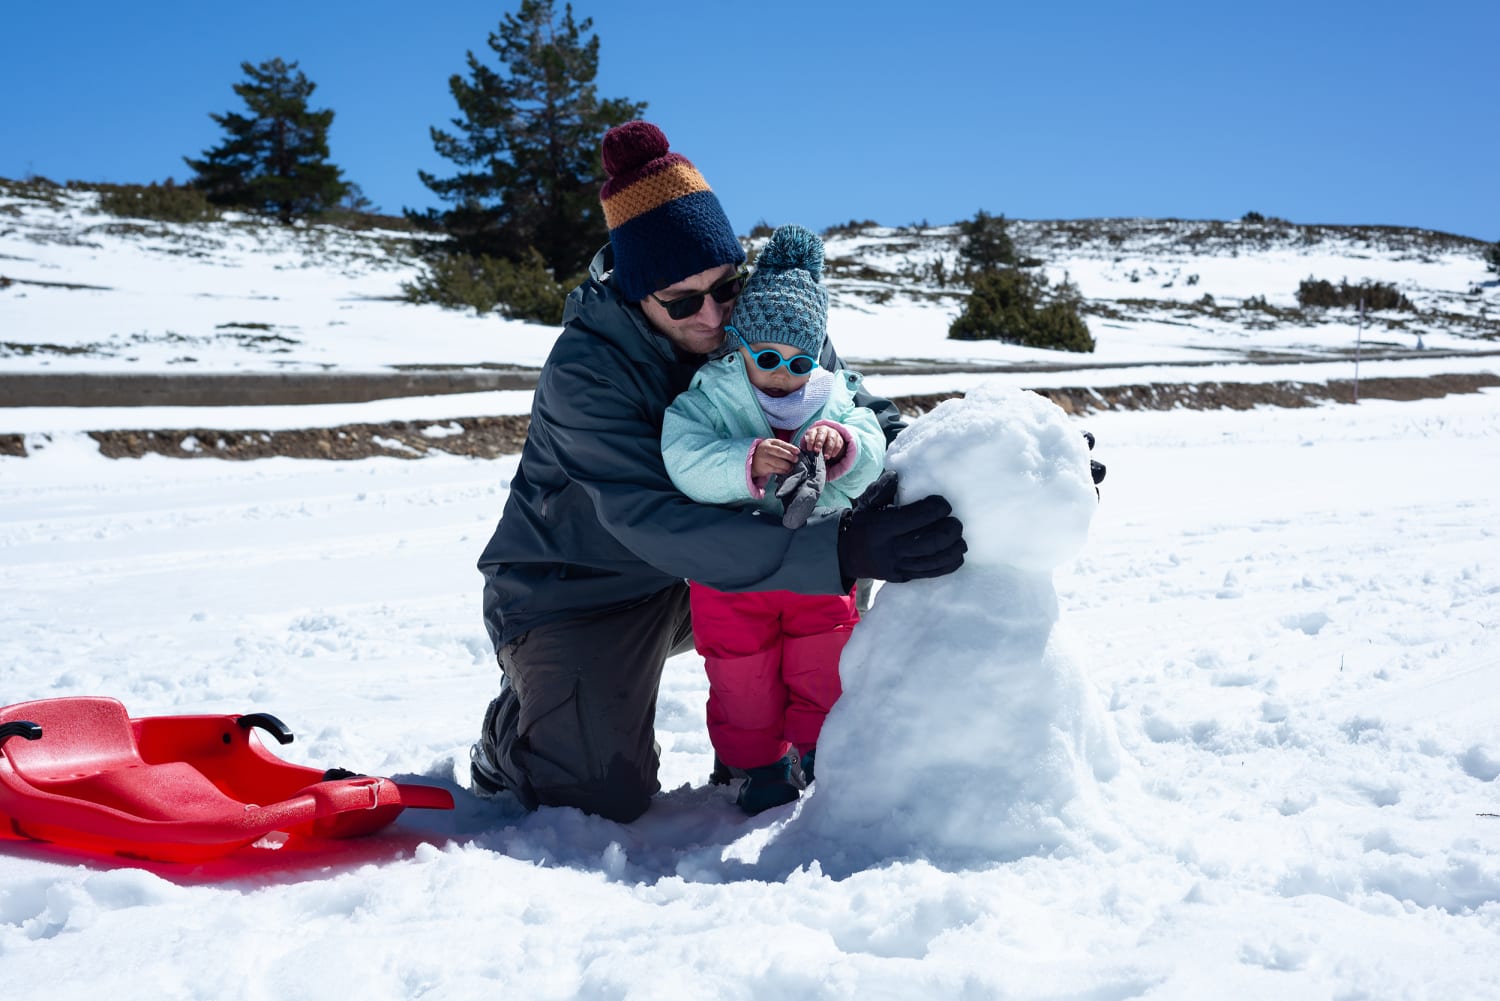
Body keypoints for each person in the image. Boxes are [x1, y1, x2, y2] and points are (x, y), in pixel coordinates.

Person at [470, 120, 967, 823]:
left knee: (864, 516)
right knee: (595, 793)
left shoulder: (766, 319)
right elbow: (656, 521)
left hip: (706, 572)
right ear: (636, 295)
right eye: (681, 301)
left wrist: (996, 458)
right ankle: (513, 732)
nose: (712, 315)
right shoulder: (586, 373)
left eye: (725, 285)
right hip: (580, 589)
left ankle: (770, 746)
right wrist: (837, 552)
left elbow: (865, 415)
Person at [661, 224, 885, 815]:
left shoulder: (835, 397)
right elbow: (682, 458)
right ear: (740, 348)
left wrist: (842, 447)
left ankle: (819, 752)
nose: (781, 372)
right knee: (742, 678)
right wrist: (743, 462)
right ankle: (756, 766)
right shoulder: (710, 396)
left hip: (815, 570)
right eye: (765, 358)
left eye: (798, 361)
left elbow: (873, 443)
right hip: (732, 579)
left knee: (825, 663)